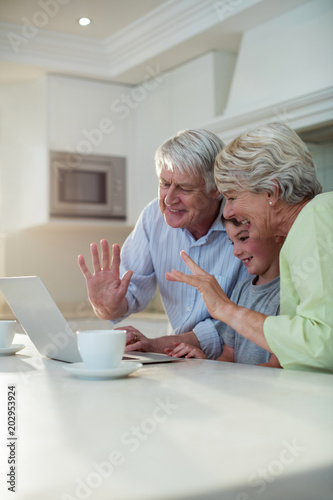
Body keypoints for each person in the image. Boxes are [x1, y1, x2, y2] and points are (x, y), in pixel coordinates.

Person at [165, 122, 333, 373]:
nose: (228, 211)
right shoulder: (305, 227)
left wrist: (225, 309)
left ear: (271, 192)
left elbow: (322, 344)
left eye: (232, 196)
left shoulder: (316, 217)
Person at [78, 129, 248, 359]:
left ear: (215, 189)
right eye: (164, 183)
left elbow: (244, 320)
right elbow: (129, 294)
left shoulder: (243, 227)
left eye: (185, 188)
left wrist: (160, 345)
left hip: (237, 364)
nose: (169, 199)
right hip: (184, 360)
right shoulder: (153, 218)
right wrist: (107, 305)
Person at [165, 217, 284, 367]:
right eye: (232, 242)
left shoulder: (290, 294)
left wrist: (223, 377)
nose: (236, 251)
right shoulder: (242, 289)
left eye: (243, 238)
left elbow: (275, 367)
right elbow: (228, 357)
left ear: (277, 234)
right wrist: (204, 364)